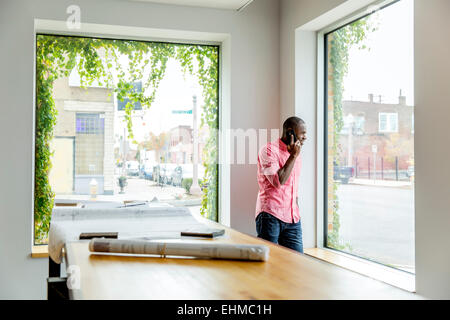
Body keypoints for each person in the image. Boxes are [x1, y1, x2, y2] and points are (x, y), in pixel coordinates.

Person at [255, 116, 307, 253]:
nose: (305, 137)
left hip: (293, 218)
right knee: (268, 263)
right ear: (290, 132)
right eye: (302, 133)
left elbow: (294, 188)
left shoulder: (296, 154)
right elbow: (278, 181)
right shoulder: (268, 150)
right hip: (270, 216)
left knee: (296, 263)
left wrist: (296, 210)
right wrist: (293, 156)